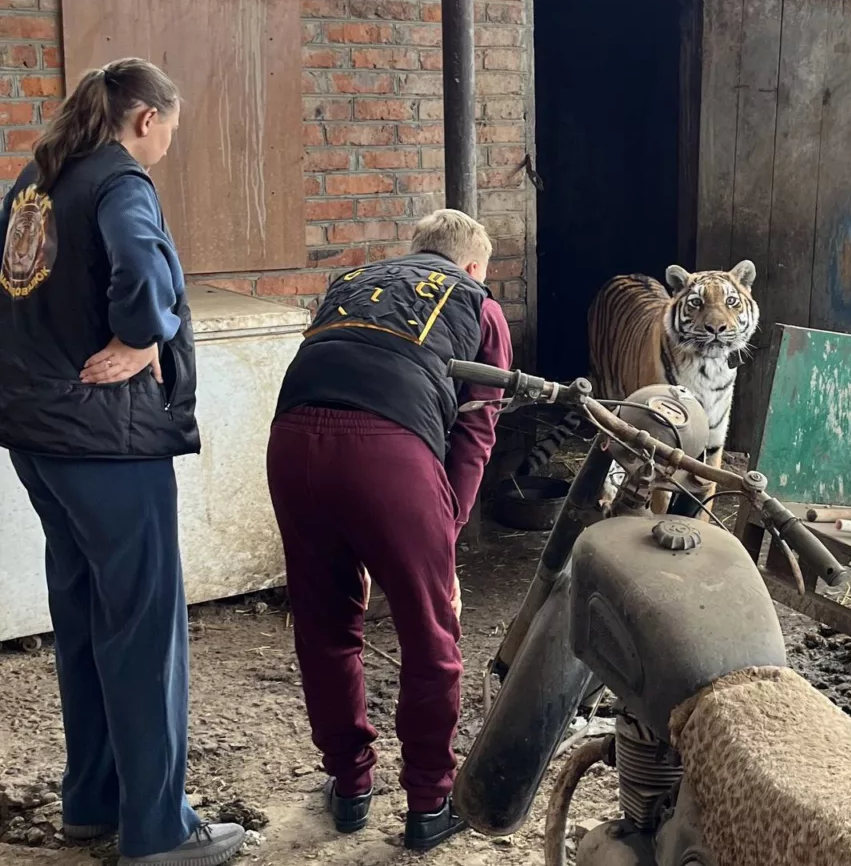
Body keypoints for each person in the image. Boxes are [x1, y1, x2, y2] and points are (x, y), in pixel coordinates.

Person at [0, 58, 244, 866]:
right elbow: (141, 269)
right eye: (170, 128)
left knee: (84, 614)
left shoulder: (32, 186)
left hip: (36, 438)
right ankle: (159, 830)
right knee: (142, 626)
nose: (168, 141)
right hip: (104, 440)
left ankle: (94, 800)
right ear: (146, 119)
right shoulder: (118, 183)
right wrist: (143, 333)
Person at [267, 209, 513, 851]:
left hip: (291, 442)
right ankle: (430, 803)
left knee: (324, 627)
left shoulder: (349, 286)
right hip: (390, 453)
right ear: (471, 267)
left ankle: (348, 787)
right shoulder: (479, 305)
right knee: (430, 635)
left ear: (413, 251)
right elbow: (476, 431)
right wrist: (446, 538)